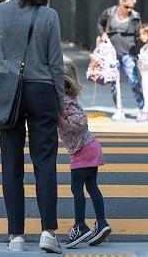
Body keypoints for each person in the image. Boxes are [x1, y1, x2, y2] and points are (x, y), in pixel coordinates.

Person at [0, 0, 65, 253]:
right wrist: (60, 105)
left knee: (11, 164)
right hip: (43, 91)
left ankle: (16, 236)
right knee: (45, 163)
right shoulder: (49, 16)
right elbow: (55, 65)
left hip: (9, 92)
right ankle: (48, 232)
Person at [59, 62, 112, 249]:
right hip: (90, 147)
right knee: (91, 187)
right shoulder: (68, 98)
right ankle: (101, 223)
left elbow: (80, 121)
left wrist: (63, 122)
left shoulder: (64, 101)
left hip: (82, 149)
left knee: (76, 189)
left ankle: (80, 226)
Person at [96, 0, 144, 121]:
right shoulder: (110, 13)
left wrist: (140, 54)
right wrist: (102, 34)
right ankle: (118, 109)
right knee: (114, 82)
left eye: (131, 7)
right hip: (112, 52)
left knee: (133, 80)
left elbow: (139, 35)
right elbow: (100, 24)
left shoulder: (135, 16)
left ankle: (142, 108)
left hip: (129, 52)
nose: (129, 9)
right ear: (120, 3)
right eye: (126, 6)